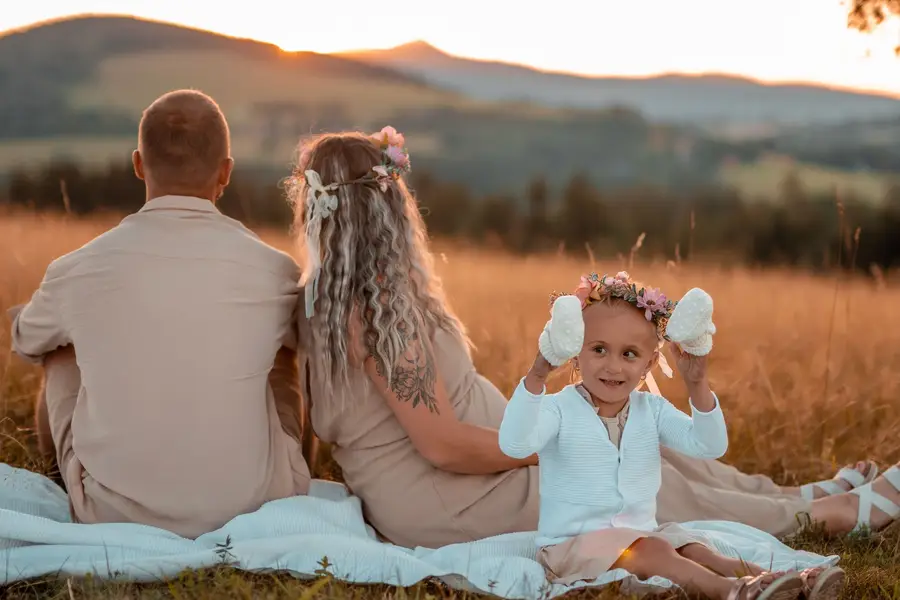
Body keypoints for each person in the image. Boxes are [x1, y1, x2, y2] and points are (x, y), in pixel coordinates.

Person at [287, 125, 900, 551]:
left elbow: (319, 419)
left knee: (638, 430)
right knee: (628, 469)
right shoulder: (375, 308)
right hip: (449, 494)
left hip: (477, 470)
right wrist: (559, 445)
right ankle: (827, 516)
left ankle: (793, 496)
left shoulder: (324, 297)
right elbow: (443, 446)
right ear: (387, 209)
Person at [9, 89, 311, 538]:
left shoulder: (75, 269)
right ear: (225, 173)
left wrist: (29, 314)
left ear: (138, 165)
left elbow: (27, 341)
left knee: (58, 349)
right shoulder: (274, 270)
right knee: (286, 355)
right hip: (251, 507)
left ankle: (64, 480)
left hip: (110, 514)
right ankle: (290, 472)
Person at [497, 273, 842, 600]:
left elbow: (710, 446)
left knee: (692, 547)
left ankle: (782, 581)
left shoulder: (652, 410)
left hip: (641, 536)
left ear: (649, 364)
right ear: (575, 351)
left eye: (629, 354)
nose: (613, 366)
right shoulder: (560, 409)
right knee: (655, 549)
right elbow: (514, 444)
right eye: (599, 349)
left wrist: (696, 383)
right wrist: (539, 371)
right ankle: (733, 591)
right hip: (570, 547)